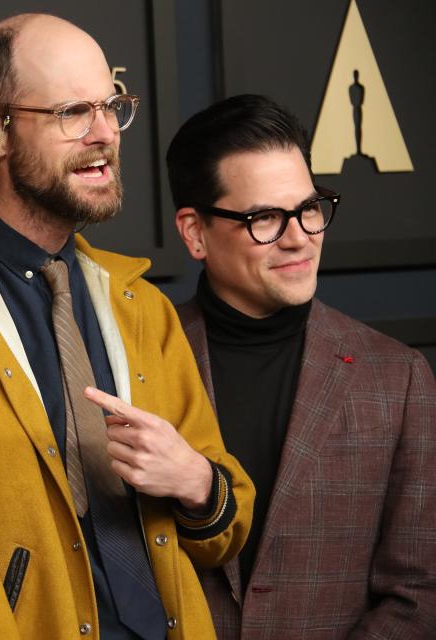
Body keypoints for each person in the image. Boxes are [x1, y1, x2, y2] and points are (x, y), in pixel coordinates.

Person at [0, 13, 254, 640]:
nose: (104, 133)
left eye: (112, 105)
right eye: (71, 111)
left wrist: (199, 484)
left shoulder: (139, 304)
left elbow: (224, 530)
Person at [168, 94, 436, 638]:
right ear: (195, 233)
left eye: (309, 208)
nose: (299, 238)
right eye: (265, 217)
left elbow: (418, 595)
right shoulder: (134, 361)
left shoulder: (397, 379)